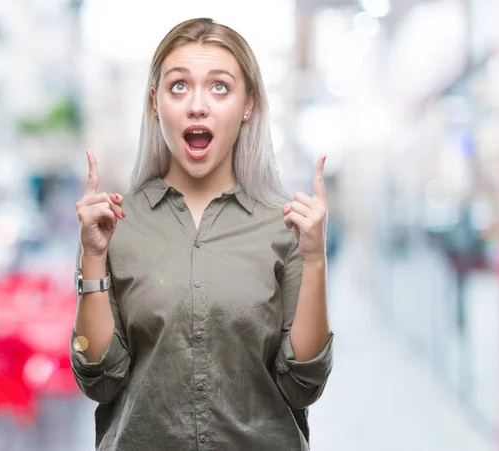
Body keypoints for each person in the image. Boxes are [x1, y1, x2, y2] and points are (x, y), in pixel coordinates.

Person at [70, 17, 333, 451]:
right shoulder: (113, 223)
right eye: (178, 87)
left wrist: (315, 259)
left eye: (219, 87)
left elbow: (303, 385)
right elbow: (99, 380)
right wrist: (93, 257)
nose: (197, 106)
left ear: (248, 104)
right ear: (155, 103)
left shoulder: (285, 225)